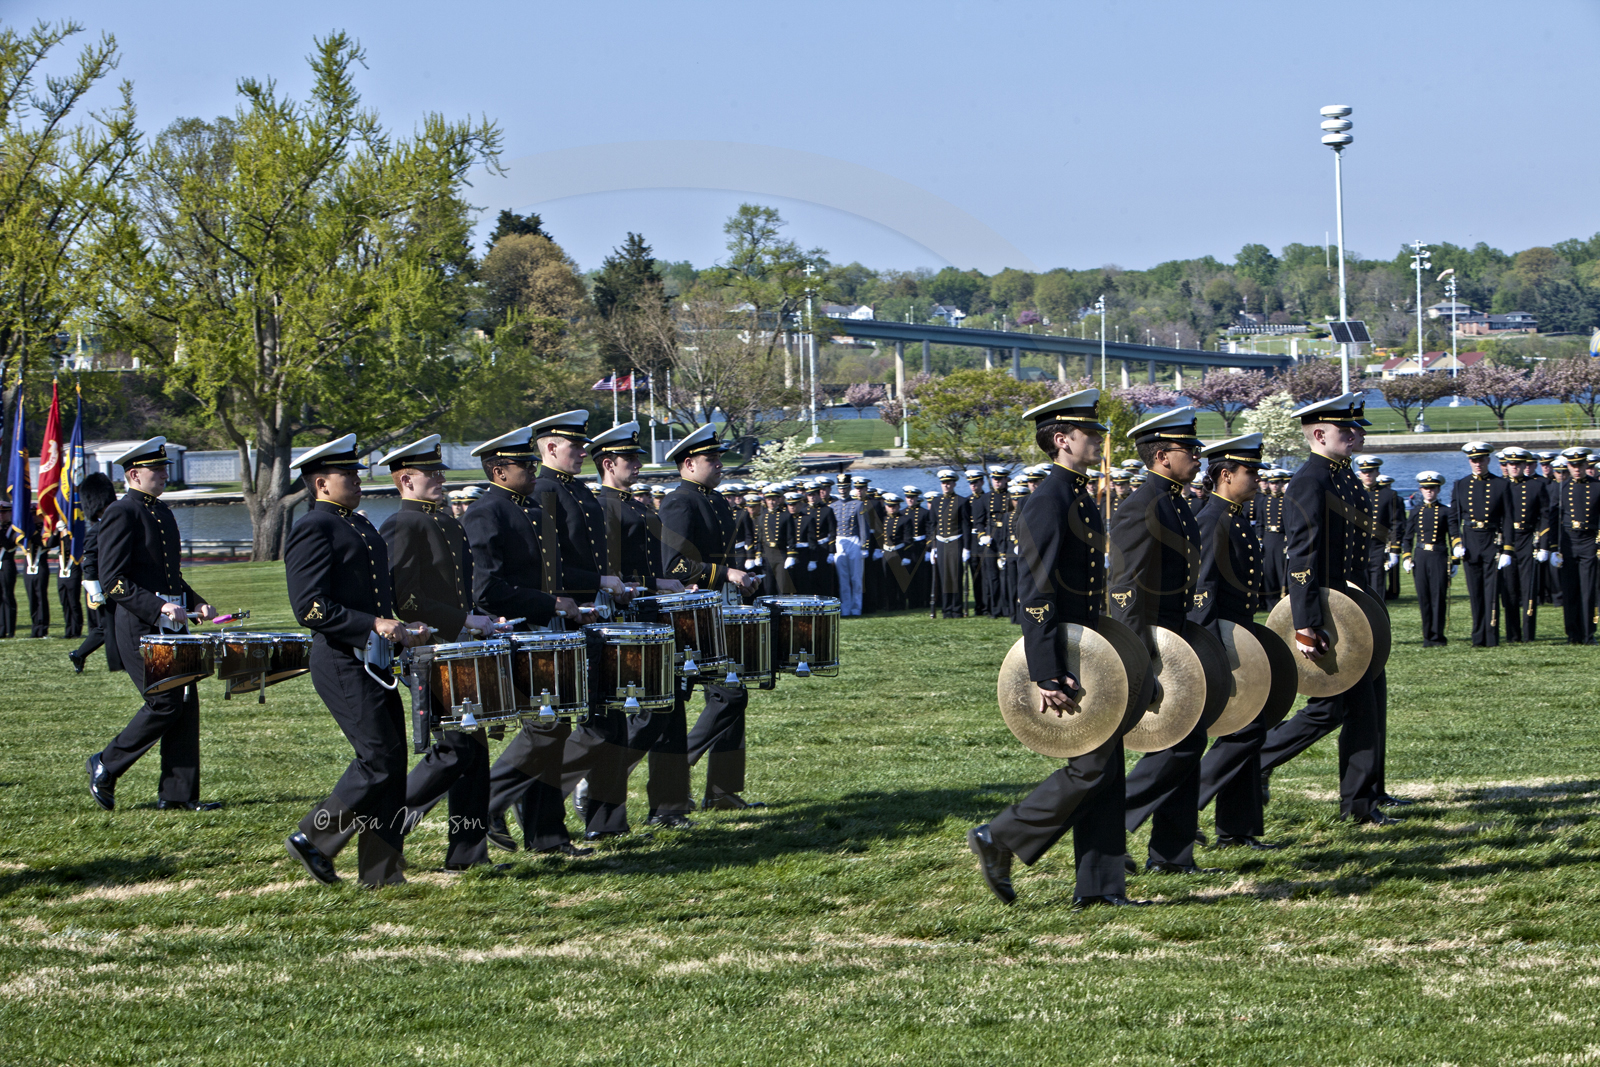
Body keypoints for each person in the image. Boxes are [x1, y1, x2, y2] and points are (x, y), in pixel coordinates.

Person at [968, 390, 1145, 909]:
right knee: (1091, 768)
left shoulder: (1078, 494)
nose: (1099, 440)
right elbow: (1037, 593)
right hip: (1065, 652)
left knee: (1107, 770)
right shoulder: (1049, 499)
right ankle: (1001, 836)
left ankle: (1100, 887)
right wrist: (1046, 671)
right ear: (1063, 440)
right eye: (1090, 434)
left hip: (1088, 647)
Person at [283, 435, 429, 886]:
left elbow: (374, 595)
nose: (356, 480)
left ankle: (381, 871)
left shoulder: (359, 525)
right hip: (341, 660)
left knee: (392, 764)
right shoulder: (314, 527)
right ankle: (313, 837)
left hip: (375, 659)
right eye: (346, 474)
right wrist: (371, 624)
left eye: (355, 472)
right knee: (376, 758)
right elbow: (309, 606)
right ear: (320, 483)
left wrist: (402, 626)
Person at [1257, 394, 1392, 826]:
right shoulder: (1310, 481)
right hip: (1329, 609)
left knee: (1369, 704)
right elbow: (1302, 558)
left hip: (1352, 606)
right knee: (1332, 707)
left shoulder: (1343, 476)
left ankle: (1365, 799)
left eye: (1357, 428)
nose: (1357, 435)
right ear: (1318, 434)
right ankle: (1256, 760)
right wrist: (1306, 623)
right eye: (1346, 430)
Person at [376, 434, 503, 871]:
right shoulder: (403, 524)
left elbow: (458, 590)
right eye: (431, 473)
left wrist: (477, 619)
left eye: (439, 471)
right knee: (454, 750)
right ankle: (376, 826)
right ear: (406, 479)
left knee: (473, 752)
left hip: (457, 646)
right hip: (432, 649)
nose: (441, 480)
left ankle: (468, 854)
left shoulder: (443, 522)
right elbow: (406, 601)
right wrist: (462, 621)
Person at [466, 424, 589, 856]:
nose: (534, 468)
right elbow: (486, 590)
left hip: (545, 632)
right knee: (545, 729)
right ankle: (489, 806)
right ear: (499, 471)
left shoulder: (530, 509)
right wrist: (549, 603)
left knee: (554, 730)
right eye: (525, 463)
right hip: (518, 633)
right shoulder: (487, 512)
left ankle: (548, 836)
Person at [85, 438, 220, 814]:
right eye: (156, 469)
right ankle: (106, 763)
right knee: (163, 702)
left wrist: (195, 602)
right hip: (139, 625)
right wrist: (159, 606)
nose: (164, 474)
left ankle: (178, 795)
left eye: (164, 468)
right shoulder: (122, 512)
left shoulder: (161, 512)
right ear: (133, 474)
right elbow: (113, 580)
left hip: (172, 624)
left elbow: (169, 575)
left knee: (185, 701)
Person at [1111, 407, 1218, 875]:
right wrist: (1140, 657)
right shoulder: (1144, 504)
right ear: (1161, 456)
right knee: (1180, 745)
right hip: (1155, 639)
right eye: (1188, 450)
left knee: (1187, 741)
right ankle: (1112, 824)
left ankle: (1172, 855)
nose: (1197, 457)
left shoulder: (1175, 500)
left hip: (1178, 634)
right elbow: (1125, 589)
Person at [590, 421, 694, 829]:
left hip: (652, 613)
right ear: (608, 464)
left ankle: (668, 807)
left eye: (636, 457)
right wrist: (656, 583)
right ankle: (597, 783)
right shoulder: (602, 506)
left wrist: (672, 583)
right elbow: (610, 571)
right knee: (648, 711)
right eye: (629, 459)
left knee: (670, 708)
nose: (637, 464)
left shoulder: (634, 504)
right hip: (626, 618)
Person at [658, 423, 764, 809]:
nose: (720, 465)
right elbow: (674, 565)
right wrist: (725, 574)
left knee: (735, 693)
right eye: (711, 459)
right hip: (696, 613)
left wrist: (742, 581)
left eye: (719, 457)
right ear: (688, 463)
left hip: (724, 609)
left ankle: (722, 791)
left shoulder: (716, 501)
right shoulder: (679, 502)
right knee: (728, 695)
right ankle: (678, 768)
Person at [1192, 434, 1282, 851]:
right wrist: (1214, 656)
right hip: (1222, 643)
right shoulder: (1212, 519)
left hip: (1240, 638)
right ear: (1225, 475)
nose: (1258, 478)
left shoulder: (1235, 516)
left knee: (1251, 727)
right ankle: (1188, 803)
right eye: (1251, 471)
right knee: (1245, 730)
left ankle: (1237, 829)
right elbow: (1202, 593)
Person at [1451, 442, 1511, 648]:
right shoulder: (1461, 484)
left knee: (1491, 592)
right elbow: (1453, 518)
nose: (1477, 464)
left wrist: (1507, 549)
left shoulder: (1501, 484)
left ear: (1488, 460)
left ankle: (1491, 635)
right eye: (1473, 460)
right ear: (1469, 461)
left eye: (1481, 460)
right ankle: (1478, 636)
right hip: (1470, 542)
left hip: (1491, 541)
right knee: (1475, 592)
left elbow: (1508, 519)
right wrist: (1456, 542)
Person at [69, 473, 119, 674]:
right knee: (110, 627)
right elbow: (89, 562)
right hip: (102, 586)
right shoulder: (95, 530)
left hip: (115, 582)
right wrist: (95, 589)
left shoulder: (112, 524)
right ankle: (117, 665)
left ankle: (79, 654)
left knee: (107, 626)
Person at [1401, 471, 1456, 648]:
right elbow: (1408, 537)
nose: (1429, 492)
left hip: (1439, 556)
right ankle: (1427, 636)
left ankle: (1438, 636)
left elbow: (1453, 535)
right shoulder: (1416, 511)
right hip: (1421, 557)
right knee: (1424, 597)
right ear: (1420, 490)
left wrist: (1454, 560)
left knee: (1438, 597)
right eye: (1425, 488)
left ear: (1438, 490)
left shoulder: (1446, 511)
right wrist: (1407, 556)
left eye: (1432, 488)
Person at [1552, 446, 1600, 644]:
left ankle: (1588, 633)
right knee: (1570, 590)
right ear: (1568, 466)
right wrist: (1553, 547)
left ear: (1585, 464)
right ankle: (1572, 634)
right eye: (1572, 465)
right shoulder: (1561, 489)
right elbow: (1553, 519)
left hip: (1589, 540)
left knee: (1588, 590)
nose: (1576, 469)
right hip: (1569, 542)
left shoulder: (1597, 486)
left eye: (1580, 465)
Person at [1499, 447, 1547, 642]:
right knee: (1509, 589)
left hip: (1528, 539)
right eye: (1511, 464)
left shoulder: (1536, 486)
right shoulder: (1500, 486)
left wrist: (1543, 544)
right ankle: (1512, 633)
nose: (1515, 467)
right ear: (1506, 466)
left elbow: (1545, 516)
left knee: (1529, 588)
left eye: (1519, 464)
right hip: (1507, 542)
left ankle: (1528, 633)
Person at [1355, 456, 1404, 602]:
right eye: (1364, 472)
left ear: (1377, 473)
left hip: (1378, 545)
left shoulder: (1388, 495)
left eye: (1371, 471)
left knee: (1377, 585)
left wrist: (1394, 549)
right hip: (1358, 545)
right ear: (1360, 474)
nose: (1367, 475)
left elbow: (1396, 523)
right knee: (1358, 585)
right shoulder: (1353, 493)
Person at [927, 470, 970, 618]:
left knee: (955, 576)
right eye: (943, 483)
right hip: (940, 543)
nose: (946, 485)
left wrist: (966, 547)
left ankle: (956, 609)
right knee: (944, 577)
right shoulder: (936, 501)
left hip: (955, 541)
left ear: (954, 484)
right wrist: (932, 547)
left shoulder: (962, 501)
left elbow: (966, 526)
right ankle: (946, 608)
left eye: (949, 483)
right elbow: (933, 525)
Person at [831, 479, 868, 616]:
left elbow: (863, 526)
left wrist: (864, 546)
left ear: (849, 488)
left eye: (845, 487)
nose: (842, 490)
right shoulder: (833, 505)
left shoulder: (858, 504)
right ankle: (845, 608)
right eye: (840, 487)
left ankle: (856, 607)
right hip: (839, 540)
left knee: (856, 578)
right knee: (843, 577)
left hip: (854, 540)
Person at [755, 487, 798, 597]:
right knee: (768, 587)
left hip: (781, 554)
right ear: (765, 500)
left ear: (778, 500)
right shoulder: (761, 517)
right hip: (767, 554)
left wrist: (791, 555)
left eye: (774, 499)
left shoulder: (786, 516)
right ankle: (771, 612)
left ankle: (783, 612)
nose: (771, 502)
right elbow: (759, 538)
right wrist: (758, 554)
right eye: (769, 499)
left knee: (783, 586)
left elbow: (791, 538)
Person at [1258, 468, 1290, 603]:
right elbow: (1260, 522)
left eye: (1277, 483)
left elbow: (1290, 523)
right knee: (1268, 571)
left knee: (1280, 570)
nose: (1274, 486)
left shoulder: (1286, 501)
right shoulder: (1264, 501)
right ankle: (1270, 601)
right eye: (1272, 483)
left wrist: (1288, 542)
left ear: (1282, 484)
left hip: (1281, 538)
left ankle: (1281, 600)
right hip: (1268, 537)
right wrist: (1259, 539)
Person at [21, 526, 56, 637]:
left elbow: (49, 543)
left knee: (41, 597)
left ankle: (43, 627)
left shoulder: (45, 529)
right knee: (32, 598)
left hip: (40, 565)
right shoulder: (24, 527)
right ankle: (35, 627)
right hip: (28, 566)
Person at [965, 470, 991, 616]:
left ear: (981, 482)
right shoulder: (967, 501)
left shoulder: (988, 498)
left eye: (975, 482)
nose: (973, 486)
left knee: (987, 575)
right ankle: (979, 606)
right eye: (970, 483)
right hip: (973, 541)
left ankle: (988, 605)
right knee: (975, 575)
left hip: (986, 538)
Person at [900, 486, 930, 611]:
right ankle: (911, 600)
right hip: (908, 547)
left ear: (917, 498)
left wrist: (928, 549)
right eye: (908, 497)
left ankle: (924, 600)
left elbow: (929, 531)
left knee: (922, 575)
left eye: (912, 497)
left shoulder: (924, 513)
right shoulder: (902, 513)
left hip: (920, 546)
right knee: (909, 574)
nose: (910, 500)